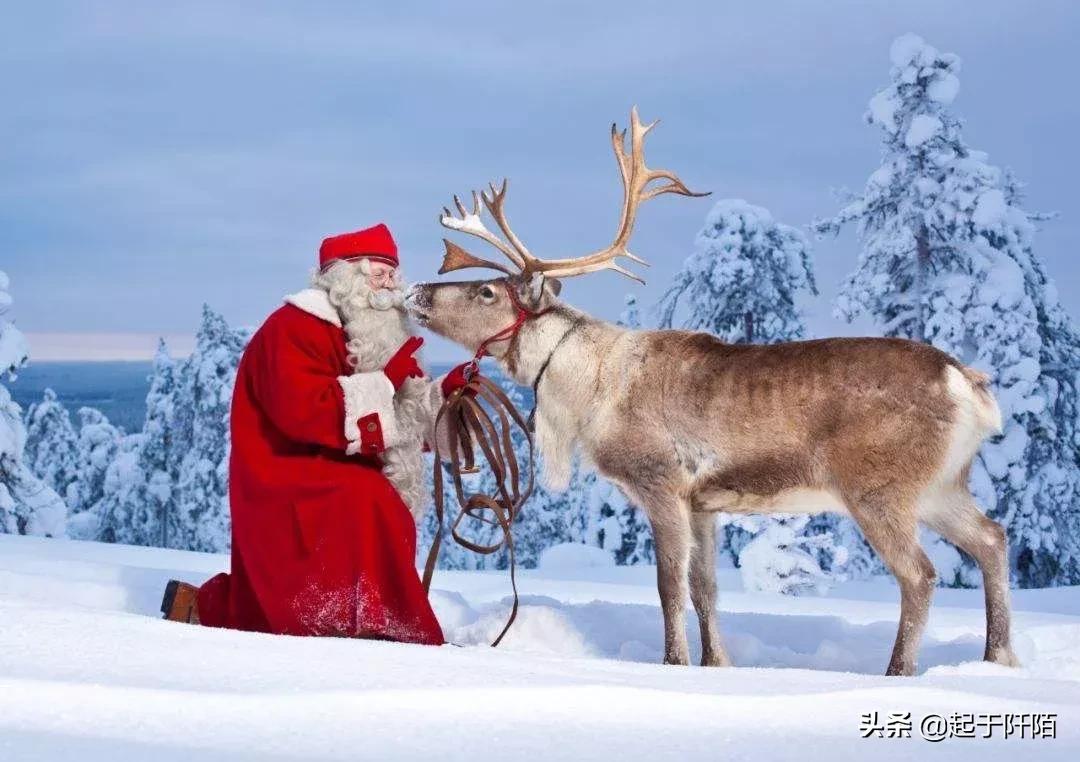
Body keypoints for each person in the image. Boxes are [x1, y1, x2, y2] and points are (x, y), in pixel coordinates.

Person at [160, 223, 471, 644]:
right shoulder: (294, 326)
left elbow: (400, 421)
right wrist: (385, 381)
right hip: (283, 470)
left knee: (374, 496)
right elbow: (304, 411)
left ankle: (370, 617)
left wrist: (445, 402)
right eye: (378, 272)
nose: (390, 285)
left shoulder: (371, 334)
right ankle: (356, 621)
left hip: (327, 462)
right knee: (366, 498)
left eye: (393, 273)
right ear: (345, 276)